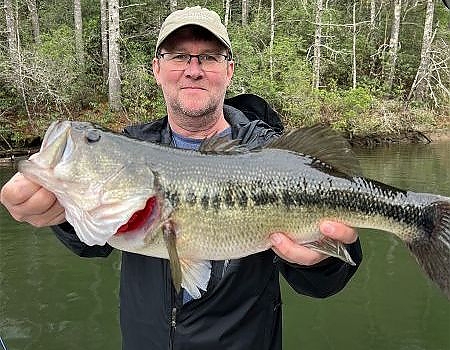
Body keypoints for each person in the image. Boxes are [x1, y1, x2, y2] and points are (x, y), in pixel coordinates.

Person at [0, 6, 362, 350]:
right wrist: (61, 212)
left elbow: (328, 279)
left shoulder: (270, 153)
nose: (193, 69)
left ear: (229, 70)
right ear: (157, 69)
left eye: (208, 56)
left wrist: (323, 259)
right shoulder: (133, 146)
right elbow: (94, 242)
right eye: (178, 56)